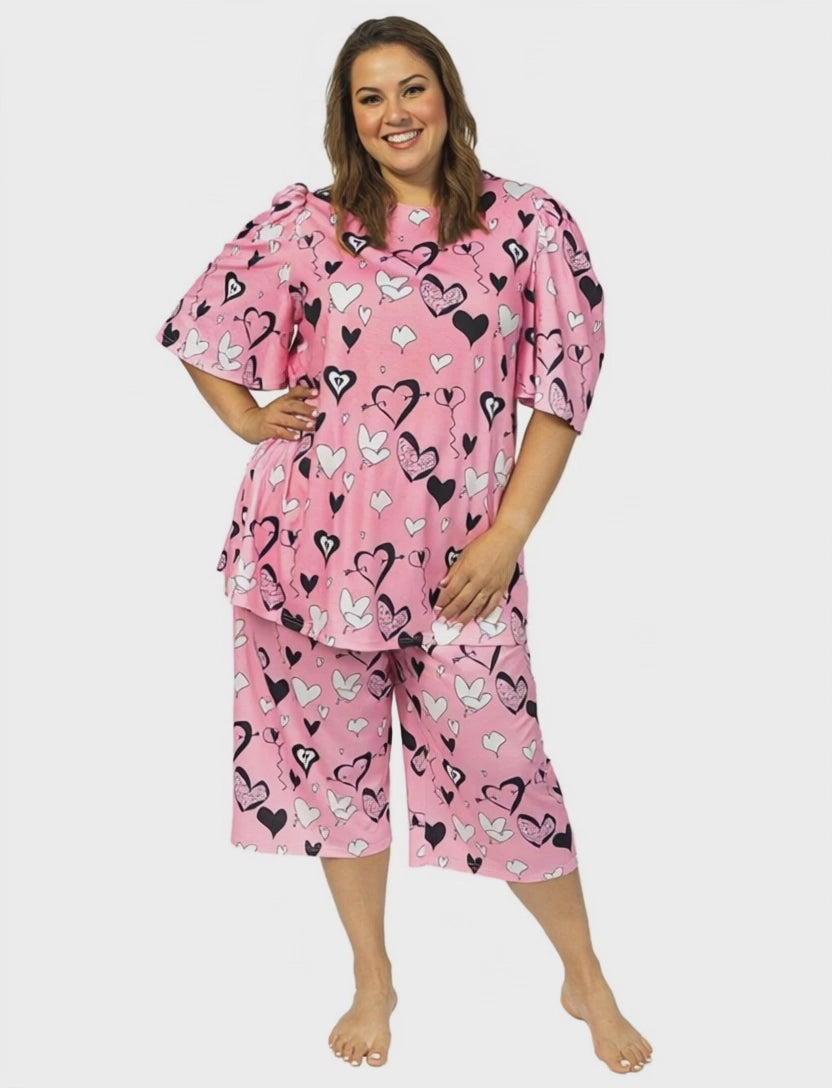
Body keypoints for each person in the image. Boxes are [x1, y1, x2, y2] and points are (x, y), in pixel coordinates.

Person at [155, 14, 652, 1076]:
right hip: (306, 552)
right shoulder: (308, 224)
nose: (394, 113)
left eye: (411, 88)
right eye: (370, 97)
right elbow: (201, 323)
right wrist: (246, 417)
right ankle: (373, 975)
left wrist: (508, 532)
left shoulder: (527, 224)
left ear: (448, 95)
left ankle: (586, 974)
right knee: (336, 777)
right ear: (348, 117)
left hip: (460, 565)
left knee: (504, 762)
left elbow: (563, 391)